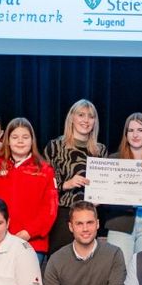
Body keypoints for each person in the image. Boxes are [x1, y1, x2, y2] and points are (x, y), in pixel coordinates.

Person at [45, 99, 108, 254]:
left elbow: (106, 184)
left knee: (88, 260)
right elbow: (44, 185)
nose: (86, 120)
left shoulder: (100, 150)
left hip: (89, 214)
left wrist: (101, 197)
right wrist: (67, 184)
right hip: (63, 213)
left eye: (91, 116)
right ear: (72, 118)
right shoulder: (55, 146)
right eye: (81, 115)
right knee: (60, 259)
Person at [0, 118, 57, 258]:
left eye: (25, 137)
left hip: (32, 243)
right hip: (0, 241)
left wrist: (29, 232)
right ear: (7, 141)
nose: (20, 141)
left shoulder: (45, 170)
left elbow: (50, 210)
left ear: (32, 141)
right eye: (15, 137)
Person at [103, 112, 142, 264]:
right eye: (131, 130)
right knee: (119, 269)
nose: (135, 135)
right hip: (121, 223)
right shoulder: (114, 160)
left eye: (140, 130)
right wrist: (137, 201)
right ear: (126, 134)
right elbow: (108, 197)